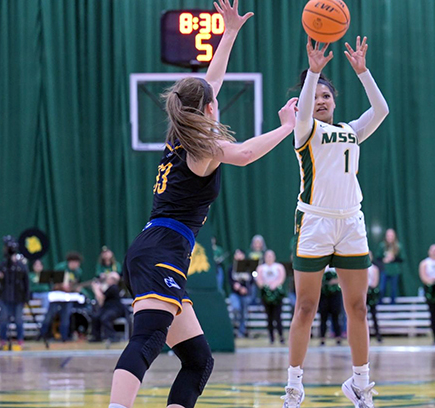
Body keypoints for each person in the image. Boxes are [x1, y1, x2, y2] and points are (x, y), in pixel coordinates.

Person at [108, 1, 299, 406]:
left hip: (159, 248)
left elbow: (212, 80)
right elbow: (245, 154)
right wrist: (286, 127)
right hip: (160, 249)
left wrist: (228, 33)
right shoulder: (203, 146)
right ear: (210, 108)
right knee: (147, 339)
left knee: (198, 360)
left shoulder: (183, 133)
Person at [284, 35, 388, 408]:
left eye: (325, 96)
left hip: (350, 224)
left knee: (357, 307)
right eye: (314, 98)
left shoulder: (350, 130)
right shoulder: (305, 131)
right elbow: (303, 112)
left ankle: (360, 384)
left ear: (334, 100)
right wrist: (313, 73)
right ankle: (294, 387)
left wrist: (363, 72)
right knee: (305, 308)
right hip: (314, 223)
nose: (321, 101)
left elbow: (381, 110)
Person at [0, 236, 30, 351]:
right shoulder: (3, 264)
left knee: (19, 320)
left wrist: (26, 296)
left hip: (18, 297)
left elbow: (26, 281)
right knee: (3, 319)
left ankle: (20, 340)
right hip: (5, 297)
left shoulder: (21, 265)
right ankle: (3, 340)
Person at [41, 251, 83, 342]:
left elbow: (77, 283)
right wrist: (61, 285)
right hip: (57, 295)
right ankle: (43, 334)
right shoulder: (61, 267)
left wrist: (76, 288)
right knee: (50, 314)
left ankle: (64, 336)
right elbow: (53, 281)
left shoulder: (78, 271)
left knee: (66, 315)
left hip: (68, 296)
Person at [256, 250, 286, 344]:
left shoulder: (279, 267)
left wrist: (275, 285)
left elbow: (281, 278)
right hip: (266, 295)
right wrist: (266, 287)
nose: (269, 258)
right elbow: (259, 280)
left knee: (278, 316)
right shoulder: (261, 268)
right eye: (267, 256)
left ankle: (281, 336)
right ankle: (271, 337)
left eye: (271, 256)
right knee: (269, 317)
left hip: (276, 295)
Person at [90, 272, 125, 343]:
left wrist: (95, 289)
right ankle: (97, 336)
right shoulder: (108, 288)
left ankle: (113, 336)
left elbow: (101, 297)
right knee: (96, 317)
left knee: (105, 318)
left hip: (115, 309)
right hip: (106, 308)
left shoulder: (113, 288)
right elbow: (101, 301)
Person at [228, 249, 255, 338]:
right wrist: (236, 286)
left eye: (240, 254)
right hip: (235, 293)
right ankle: (235, 325)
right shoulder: (231, 268)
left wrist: (245, 288)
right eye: (237, 254)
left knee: (244, 313)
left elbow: (251, 280)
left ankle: (241, 331)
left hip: (245, 294)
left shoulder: (248, 268)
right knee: (236, 308)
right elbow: (230, 280)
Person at [318, 267, 343, 346]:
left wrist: (334, 281)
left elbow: (343, 278)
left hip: (335, 295)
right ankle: (322, 338)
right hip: (324, 295)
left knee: (336, 317)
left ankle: (338, 337)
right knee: (323, 318)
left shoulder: (337, 267)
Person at [378, 229, 403, 304]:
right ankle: (380, 303)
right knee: (382, 288)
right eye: (388, 236)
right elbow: (378, 257)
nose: (390, 237)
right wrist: (384, 260)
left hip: (394, 270)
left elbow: (402, 259)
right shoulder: (382, 246)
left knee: (393, 289)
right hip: (384, 269)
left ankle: (393, 304)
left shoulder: (398, 246)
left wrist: (393, 259)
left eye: (391, 236)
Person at [366, 252, 382, 343]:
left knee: (373, 314)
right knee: (363, 315)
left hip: (371, 293)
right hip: (363, 293)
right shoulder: (360, 269)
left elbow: (375, 282)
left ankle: (377, 334)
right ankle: (366, 335)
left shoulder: (374, 268)